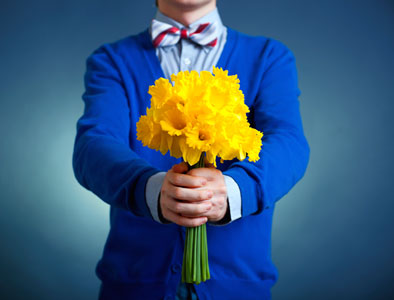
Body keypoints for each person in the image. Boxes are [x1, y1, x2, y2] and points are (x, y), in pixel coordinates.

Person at [72, 0, 310, 299]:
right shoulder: (111, 61)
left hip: (238, 287)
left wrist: (235, 189)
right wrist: (151, 189)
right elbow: (93, 147)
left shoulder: (268, 58)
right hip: (134, 286)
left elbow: (289, 142)